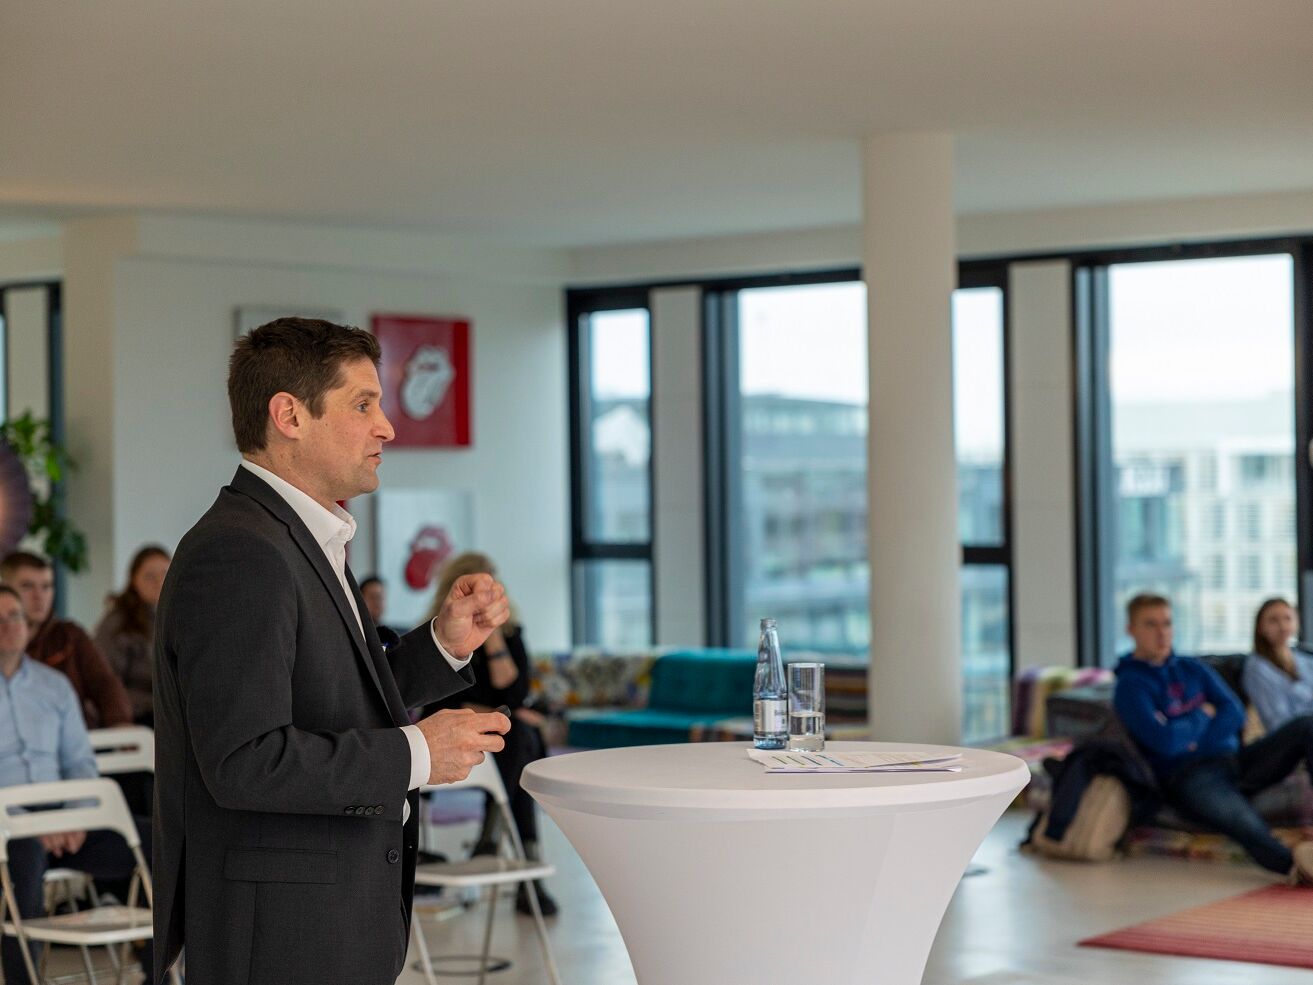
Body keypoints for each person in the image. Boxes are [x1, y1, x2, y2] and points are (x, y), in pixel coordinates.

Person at [152, 317, 511, 985]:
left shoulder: (296, 537)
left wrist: (442, 643)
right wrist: (417, 754)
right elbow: (243, 761)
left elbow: (337, 700)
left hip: (324, 918)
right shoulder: (241, 553)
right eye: (363, 405)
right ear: (289, 416)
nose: (387, 428)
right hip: (282, 935)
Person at [0, 585, 151, 985]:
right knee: (24, 858)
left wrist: (76, 816)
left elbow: (79, 761)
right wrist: (31, 824)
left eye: (15, 616)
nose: (9, 626)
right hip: (8, 826)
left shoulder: (54, 686)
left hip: (67, 822)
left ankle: (158, 972)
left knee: (162, 843)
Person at [1113, 592, 1313, 883]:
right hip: (1191, 775)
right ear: (1131, 630)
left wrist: (1188, 733)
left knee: (1307, 725)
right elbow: (1165, 742)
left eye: (1167, 623)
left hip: (1235, 759)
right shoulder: (1130, 685)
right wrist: (1202, 715)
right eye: (1151, 625)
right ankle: (1297, 866)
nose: (1162, 633)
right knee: (1243, 822)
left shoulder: (1192, 667)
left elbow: (1234, 713)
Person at [423, 551, 558, 916]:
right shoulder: (437, 635)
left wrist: (494, 638)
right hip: (456, 734)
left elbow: (514, 693)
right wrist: (493, 712)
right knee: (522, 740)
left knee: (520, 739)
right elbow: (441, 703)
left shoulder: (511, 634)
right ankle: (527, 876)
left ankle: (492, 836)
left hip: (499, 735)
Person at [0, 551, 132, 729]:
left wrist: (120, 727)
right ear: (6, 589)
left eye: (46, 586)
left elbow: (105, 684)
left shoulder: (69, 636)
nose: (39, 596)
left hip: (75, 735)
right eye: (27, 586)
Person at [94, 544, 171, 726]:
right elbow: (107, 681)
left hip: (171, 709)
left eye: (165, 574)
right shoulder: (118, 622)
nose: (159, 582)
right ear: (134, 580)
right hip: (138, 714)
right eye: (150, 576)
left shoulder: (180, 616)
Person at [1243, 597, 1313, 733]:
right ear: (1260, 627)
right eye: (1273, 620)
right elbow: (1277, 721)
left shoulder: (1306, 660)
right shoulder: (1256, 667)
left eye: (1288, 618)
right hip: (1288, 734)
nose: (1282, 626)